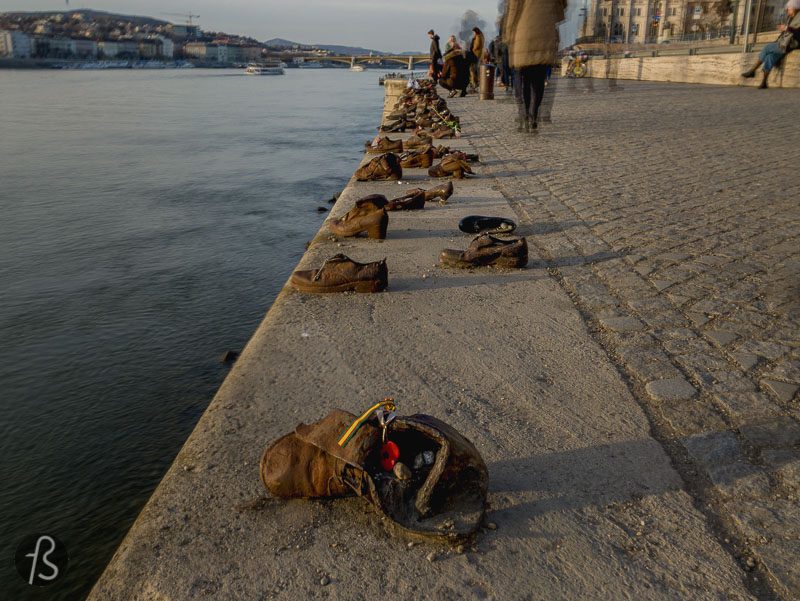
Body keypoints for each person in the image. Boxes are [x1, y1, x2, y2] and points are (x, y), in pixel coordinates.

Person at [502, 0, 566, 132]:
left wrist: (508, 35)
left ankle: (525, 114)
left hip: (523, 35)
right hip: (544, 35)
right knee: (538, 81)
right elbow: (561, 10)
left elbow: (513, 11)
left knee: (525, 80)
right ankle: (534, 115)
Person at [742, 0, 800, 88]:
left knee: (766, 48)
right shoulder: (791, 18)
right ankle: (764, 82)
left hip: (790, 44)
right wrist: (784, 29)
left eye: (789, 8)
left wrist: (787, 28)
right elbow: (787, 32)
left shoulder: (799, 17)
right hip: (785, 43)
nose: (787, 10)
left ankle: (753, 70)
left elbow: (798, 32)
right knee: (770, 57)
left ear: (795, 8)